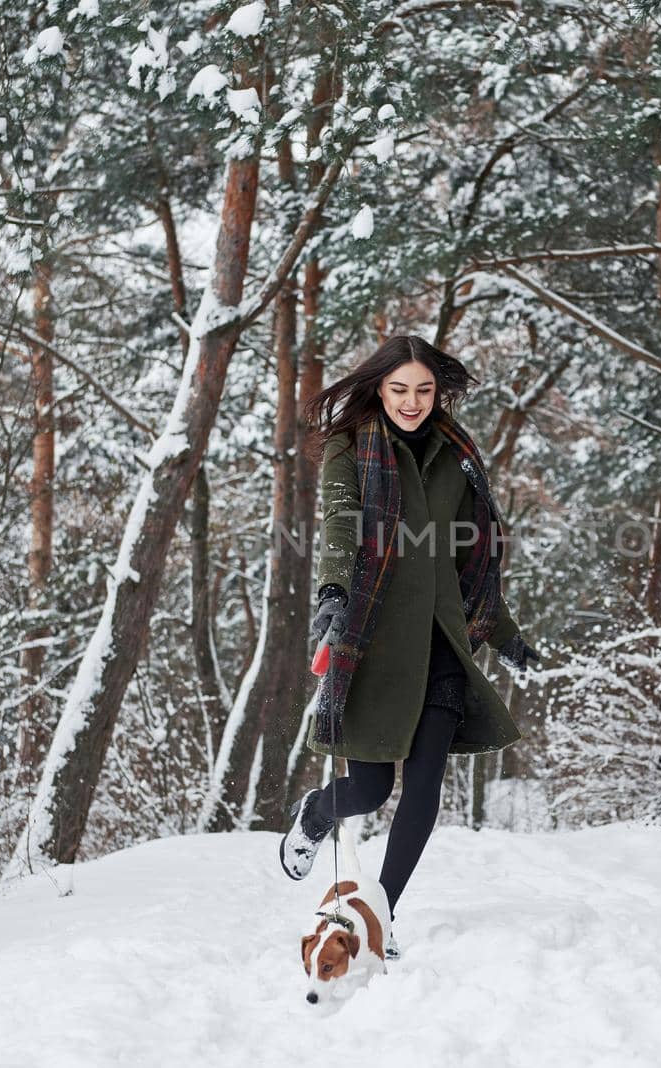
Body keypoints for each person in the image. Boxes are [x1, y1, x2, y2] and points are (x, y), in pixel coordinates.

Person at [279, 334, 541, 959]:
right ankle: (317, 813)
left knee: (424, 788)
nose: (413, 402)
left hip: (444, 644)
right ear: (379, 388)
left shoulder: (459, 457)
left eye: (425, 390)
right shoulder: (351, 448)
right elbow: (341, 526)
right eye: (400, 389)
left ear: (438, 392)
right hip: (374, 641)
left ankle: (379, 914)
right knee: (368, 791)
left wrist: (503, 635)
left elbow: (471, 558)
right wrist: (333, 594)